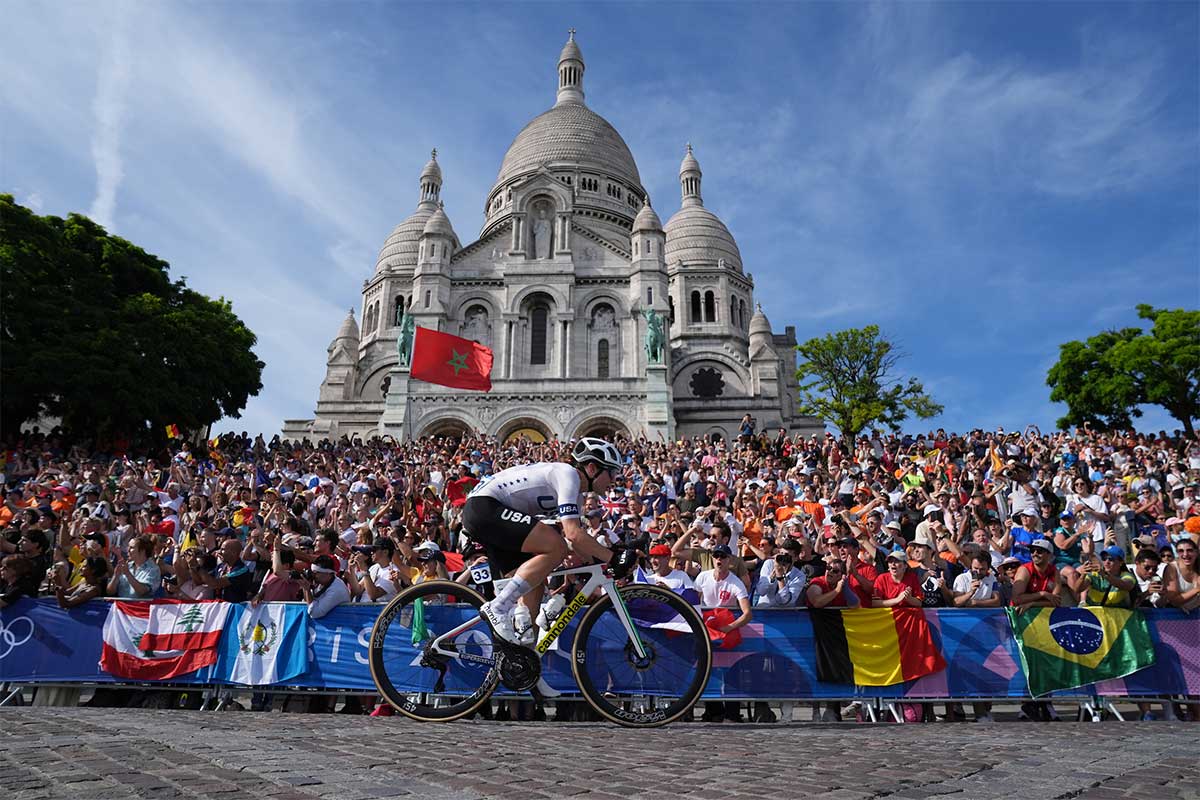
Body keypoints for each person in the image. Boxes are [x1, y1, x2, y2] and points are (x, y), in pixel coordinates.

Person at [464, 438, 628, 646]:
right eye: (611, 472)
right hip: (485, 507)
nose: (614, 479)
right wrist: (614, 558)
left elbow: (579, 545)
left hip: (490, 513)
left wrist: (603, 565)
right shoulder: (567, 475)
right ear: (592, 467)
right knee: (555, 545)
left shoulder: (576, 496)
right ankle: (498, 607)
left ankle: (523, 658)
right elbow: (572, 534)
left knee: (534, 584)